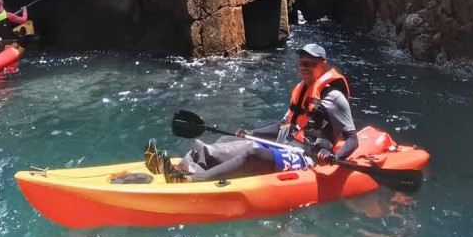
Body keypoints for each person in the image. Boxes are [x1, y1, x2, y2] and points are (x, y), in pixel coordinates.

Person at [147, 43, 358, 183]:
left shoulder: (334, 97)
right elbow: (282, 127)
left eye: (310, 64)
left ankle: (192, 180)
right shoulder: (301, 90)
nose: (304, 67)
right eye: (302, 63)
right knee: (225, 140)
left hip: (307, 155)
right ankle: (186, 166)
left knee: (252, 155)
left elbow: (352, 139)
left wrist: (335, 156)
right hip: (285, 145)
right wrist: (251, 132)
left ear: (322, 66)